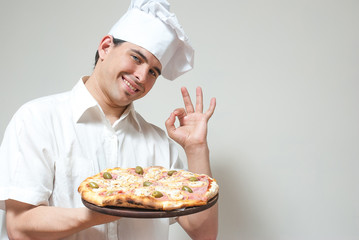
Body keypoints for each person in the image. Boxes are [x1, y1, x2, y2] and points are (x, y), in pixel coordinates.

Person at [0, 0, 218, 239]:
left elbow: (203, 233)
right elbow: (19, 227)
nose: (141, 76)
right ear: (105, 47)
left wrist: (197, 149)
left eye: (154, 71)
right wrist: (107, 207)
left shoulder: (158, 143)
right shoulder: (38, 119)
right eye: (136, 58)